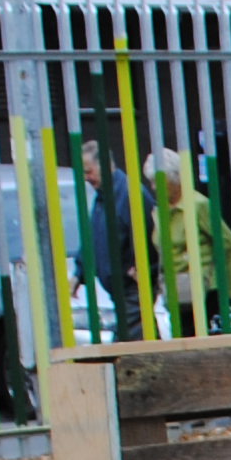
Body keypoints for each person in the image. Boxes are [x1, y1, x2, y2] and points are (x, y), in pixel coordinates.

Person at [73, 138, 143, 344]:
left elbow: (150, 234)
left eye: (89, 171)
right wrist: (79, 274)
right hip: (121, 294)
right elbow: (94, 237)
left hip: (133, 291)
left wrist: (144, 268)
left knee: (128, 349)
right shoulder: (104, 196)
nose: (86, 178)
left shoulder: (128, 195)